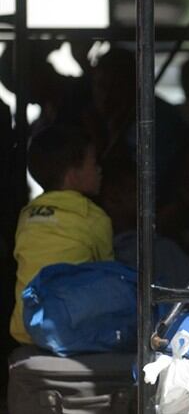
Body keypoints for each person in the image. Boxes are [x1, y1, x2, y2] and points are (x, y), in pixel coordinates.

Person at [9, 125, 112, 345]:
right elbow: (109, 277)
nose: (100, 169)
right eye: (93, 164)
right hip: (68, 330)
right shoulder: (92, 217)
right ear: (73, 176)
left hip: (24, 330)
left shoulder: (26, 216)